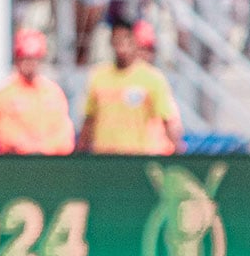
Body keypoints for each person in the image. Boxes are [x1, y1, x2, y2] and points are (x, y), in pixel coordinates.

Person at [76, 18, 183, 155]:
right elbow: (89, 119)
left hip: (138, 157)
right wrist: (80, 150)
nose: (121, 46)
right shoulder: (98, 77)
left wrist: (178, 152)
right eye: (117, 40)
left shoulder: (152, 78)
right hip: (105, 157)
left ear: (133, 41)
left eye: (125, 39)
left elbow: (167, 120)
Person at [0, 28, 75, 155]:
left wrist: (46, 148)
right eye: (25, 58)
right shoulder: (6, 93)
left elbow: (64, 131)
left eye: (34, 59)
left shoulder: (53, 91)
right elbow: (4, 132)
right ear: (18, 60)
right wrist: (30, 148)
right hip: (17, 163)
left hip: (51, 163)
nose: (30, 64)